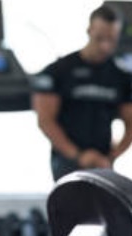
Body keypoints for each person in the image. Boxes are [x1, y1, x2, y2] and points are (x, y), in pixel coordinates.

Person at [32, 3, 132, 181]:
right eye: (100, 38)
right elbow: (45, 121)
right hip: (66, 159)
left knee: (104, 207)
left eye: (111, 40)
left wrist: (112, 156)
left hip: (103, 161)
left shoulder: (121, 77)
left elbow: (131, 123)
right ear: (89, 30)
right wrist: (78, 155)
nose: (105, 46)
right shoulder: (59, 71)